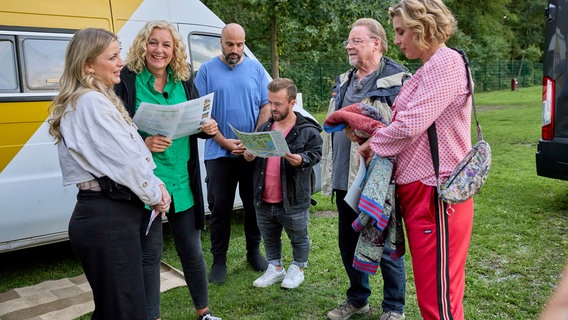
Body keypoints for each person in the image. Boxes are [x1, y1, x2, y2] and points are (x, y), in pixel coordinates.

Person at [359, 1, 474, 319]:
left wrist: (375, 143)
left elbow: (411, 124)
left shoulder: (446, 64)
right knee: (435, 293)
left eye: (400, 31)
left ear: (422, 27)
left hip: (436, 195)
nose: (396, 40)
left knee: (439, 299)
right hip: (423, 194)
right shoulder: (430, 67)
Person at [48, 28, 171, 320]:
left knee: (118, 309)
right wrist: (155, 193)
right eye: (112, 57)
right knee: (124, 311)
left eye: (119, 54)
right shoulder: (89, 102)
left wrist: (156, 184)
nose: (121, 62)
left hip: (110, 216)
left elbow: (127, 156)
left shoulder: (95, 98)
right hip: (107, 219)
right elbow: (126, 162)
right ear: (88, 65)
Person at [114, 21, 221, 320]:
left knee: (192, 252)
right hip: (147, 184)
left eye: (166, 45)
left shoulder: (184, 80)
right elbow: (117, 134)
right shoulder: (126, 81)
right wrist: (143, 142)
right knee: (150, 256)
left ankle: (205, 313)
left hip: (182, 181)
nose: (159, 50)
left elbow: (193, 123)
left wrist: (207, 128)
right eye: (153, 42)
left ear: (175, 51)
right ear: (142, 45)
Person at [321, 18, 409, 320]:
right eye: (349, 40)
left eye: (356, 40)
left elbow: (404, 128)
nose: (349, 45)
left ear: (377, 43)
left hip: (381, 179)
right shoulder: (344, 80)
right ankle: (358, 299)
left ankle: (394, 307)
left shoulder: (399, 79)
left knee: (384, 242)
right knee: (348, 242)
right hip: (347, 178)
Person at [195, 23, 270, 284]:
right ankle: (219, 261)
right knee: (220, 209)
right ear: (221, 42)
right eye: (230, 44)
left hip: (251, 153)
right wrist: (226, 143)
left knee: (253, 205)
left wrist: (253, 141)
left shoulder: (256, 69)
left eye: (240, 44)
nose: (235, 50)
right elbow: (202, 116)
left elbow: (266, 106)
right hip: (219, 153)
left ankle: (253, 252)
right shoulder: (205, 72)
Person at [243, 78, 323, 289]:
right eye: (270, 102)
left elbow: (315, 154)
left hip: (293, 198)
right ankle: (275, 268)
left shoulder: (307, 130)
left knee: (298, 236)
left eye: (278, 103)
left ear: (292, 103)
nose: (273, 108)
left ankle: (297, 268)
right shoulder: (265, 127)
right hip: (264, 196)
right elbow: (256, 155)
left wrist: (301, 160)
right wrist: (249, 156)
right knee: (269, 236)